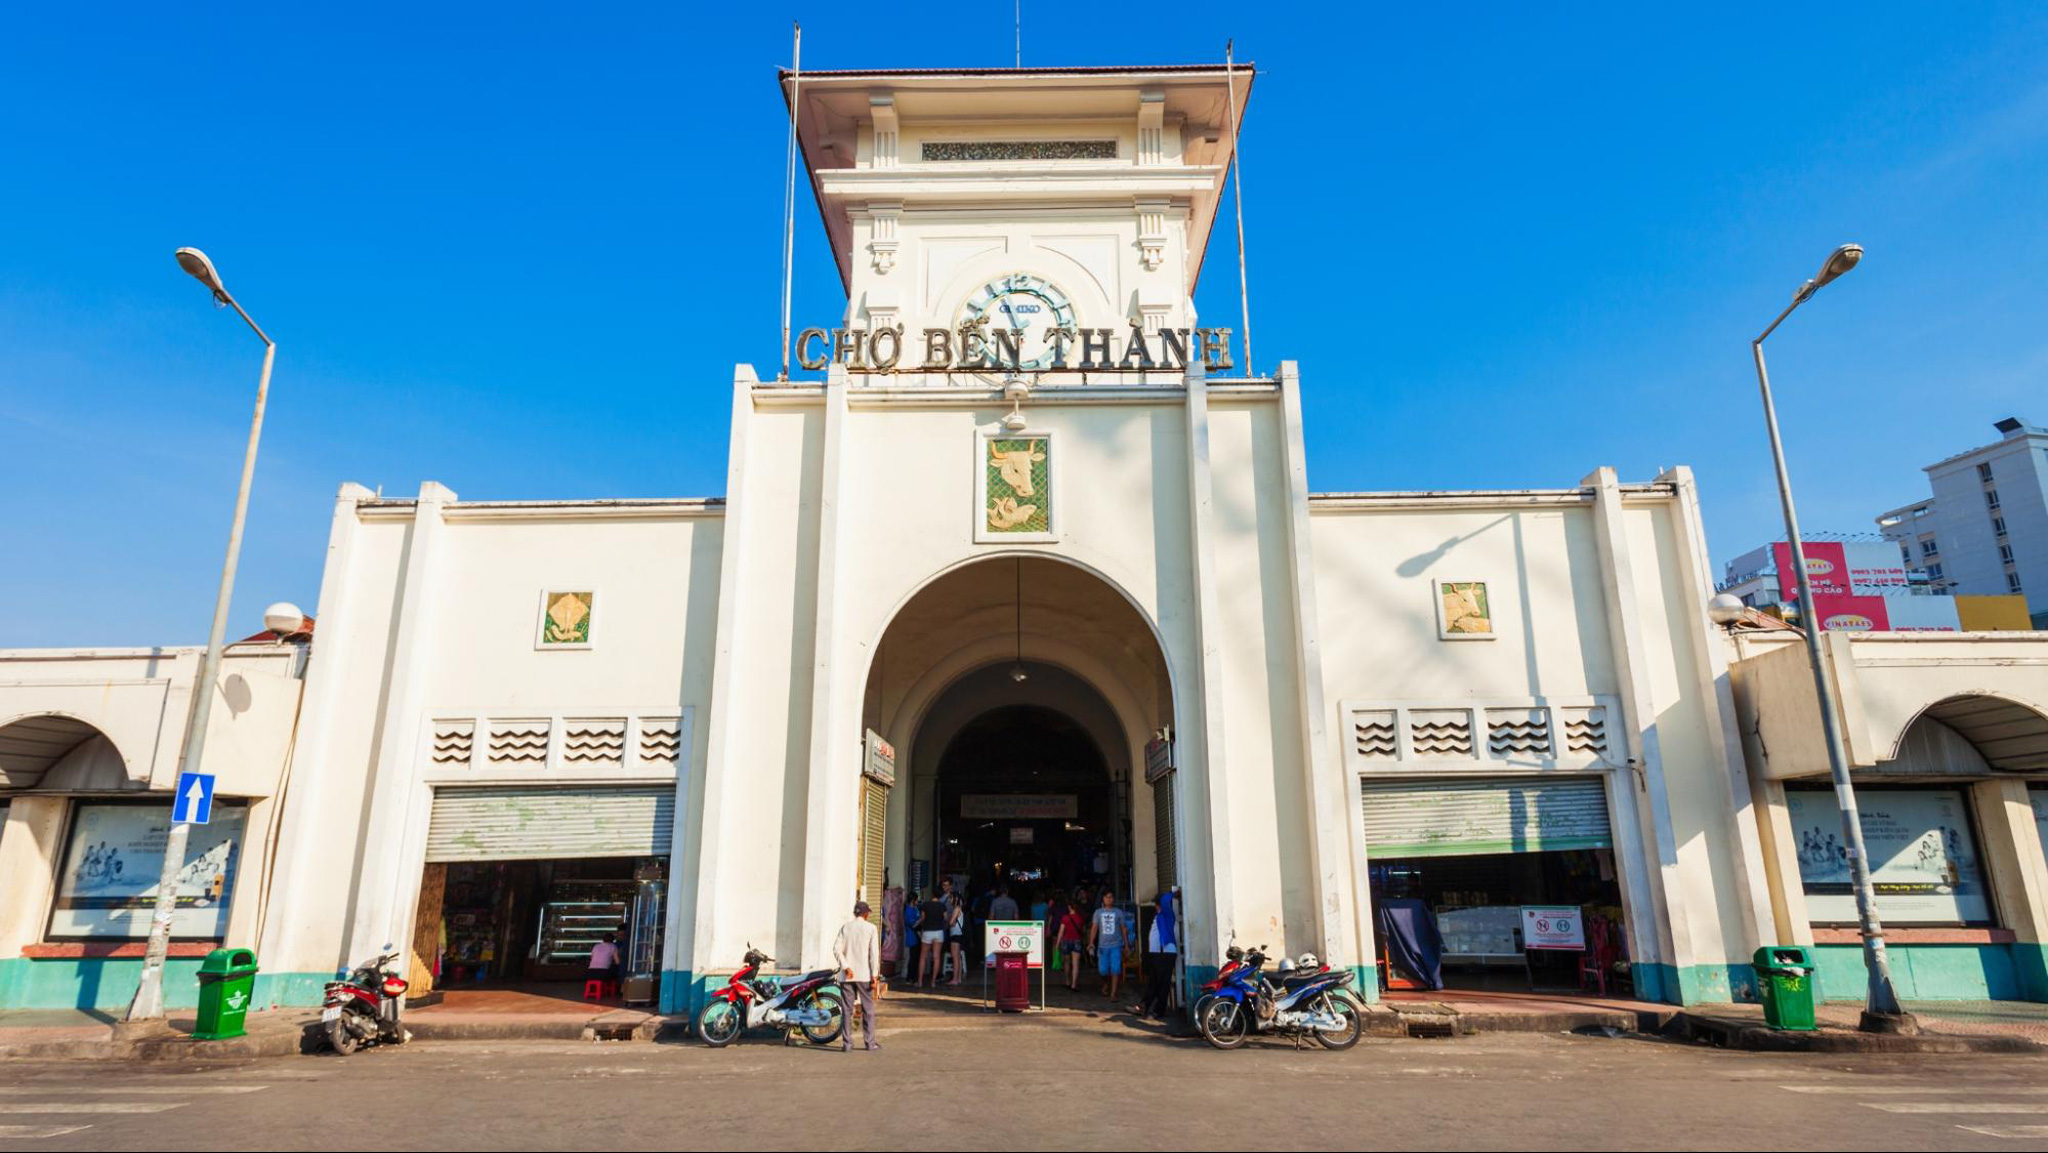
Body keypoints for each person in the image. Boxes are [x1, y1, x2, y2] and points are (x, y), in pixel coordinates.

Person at [833, 900, 882, 1051]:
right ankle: (870, 1042)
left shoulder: (845, 928)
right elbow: (874, 954)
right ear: (866, 914)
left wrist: (846, 966)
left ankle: (847, 1043)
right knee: (868, 1009)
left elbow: (836, 949)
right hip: (864, 974)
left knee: (847, 1010)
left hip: (847, 975)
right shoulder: (871, 928)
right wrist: (875, 975)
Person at [1131, 891, 1177, 1019]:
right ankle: (1147, 1007)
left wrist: (1173, 893)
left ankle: (1154, 1010)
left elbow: (1164, 899)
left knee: (1160, 983)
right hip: (1159, 953)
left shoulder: (1167, 914)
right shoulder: (1160, 915)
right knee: (1155, 982)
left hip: (1165, 953)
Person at [1088, 889, 1131, 1000]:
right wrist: (1091, 942)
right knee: (1103, 970)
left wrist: (1126, 945)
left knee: (1116, 969)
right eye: (1107, 897)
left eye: (1111, 897)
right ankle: (1106, 984)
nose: (1109, 899)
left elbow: (1123, 929)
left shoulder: (1118, 912)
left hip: (1116, 945)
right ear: (1103, 899)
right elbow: (1094, 928)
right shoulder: (1098, 912)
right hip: (1102, 946)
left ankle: (1113, 993)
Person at [1053, 897, 1088, 992]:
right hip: (1077, 941)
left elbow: (1061, 932)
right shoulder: (1080, 918)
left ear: (1069, 907)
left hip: (1066, 941)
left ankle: (1067, 981)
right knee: (1076, 964)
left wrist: (1057, 943)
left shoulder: (1065, 918)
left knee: (1067, 963)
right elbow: (1083, 931)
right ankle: (1074, 985)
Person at [918, 888, 949, 986]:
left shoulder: (925, 905)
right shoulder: (942, 906)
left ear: (932, 894)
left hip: (927, 931)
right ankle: (933, 982)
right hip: (939, 932)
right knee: (936, 957)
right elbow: (946, 918)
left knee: (923, 957)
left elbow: (923, 918)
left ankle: (920, 981)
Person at [946, 891, 967, 986]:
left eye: (951, 898)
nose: (950, 900)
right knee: (958, 958)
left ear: (956, 899)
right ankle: (958, 978)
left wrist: (947, 919)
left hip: (955, 935)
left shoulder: (956, 909)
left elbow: (951, 923)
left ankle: (954, 979)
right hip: (959, 935)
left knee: (955, 958)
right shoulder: (960, 909)